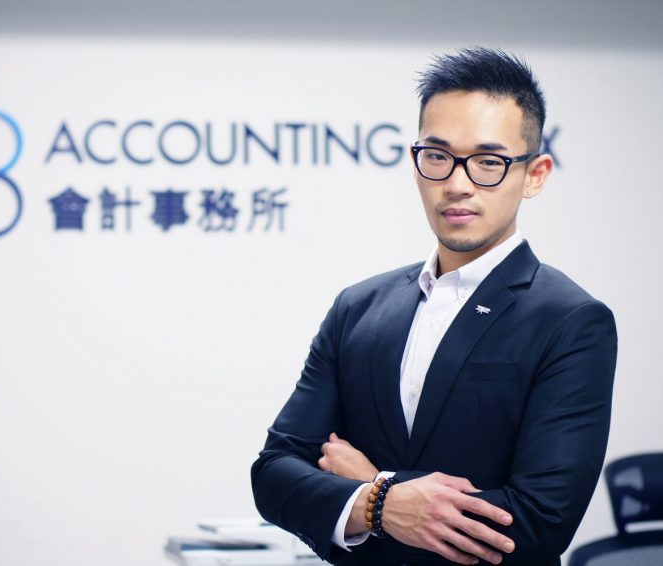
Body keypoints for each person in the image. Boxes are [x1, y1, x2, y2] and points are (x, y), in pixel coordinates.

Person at [250, 47, 618, 566]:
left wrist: (376, 489)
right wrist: (383, 505)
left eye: (489, 162)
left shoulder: (571, 321)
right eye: (438, 156)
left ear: (534, 174)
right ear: (416, 161)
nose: (457, 184)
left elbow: (538, 522)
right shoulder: (359, 308)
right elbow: (274, 473)